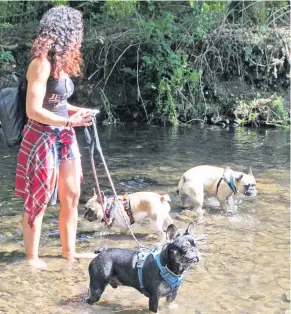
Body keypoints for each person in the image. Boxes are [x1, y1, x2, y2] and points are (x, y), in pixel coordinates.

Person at [15, 6, 95, 268]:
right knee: (38, 198)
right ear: (66, 33)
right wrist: (70, 120)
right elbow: (33, 110)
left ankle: (68, 252)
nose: (78, 40)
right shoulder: (41, 64)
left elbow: (58, 102)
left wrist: (77, 112)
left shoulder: (61, 66)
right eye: (76, 34)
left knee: (71, 194)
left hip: (64, 136)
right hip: (41, 138)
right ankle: (32, 258)